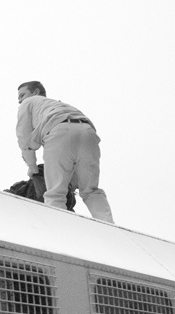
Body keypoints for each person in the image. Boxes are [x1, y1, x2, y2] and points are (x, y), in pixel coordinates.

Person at [16, 81, 114, 223]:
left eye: (22, 95)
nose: (20, 101)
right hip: (88, 133)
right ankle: (108, 225)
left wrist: (32, 167)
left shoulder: (29, 102)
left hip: (59, 131)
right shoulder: (59, 105)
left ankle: (59, 227)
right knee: (91, 190)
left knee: (55, 193)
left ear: (36, 92)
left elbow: (23, 136)